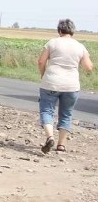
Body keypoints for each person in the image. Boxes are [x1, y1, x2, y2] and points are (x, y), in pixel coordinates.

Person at [37, 19, 93, 153]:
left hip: (51, 82)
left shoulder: (52, 42)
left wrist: (43, 74)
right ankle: (61, 145)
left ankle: (50, 137)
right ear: (72, 31)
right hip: (71, 85)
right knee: (66, 114)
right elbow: (88, 67)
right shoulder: (80, 46)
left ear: (59, 31)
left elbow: (41, 61)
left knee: (47, 110)